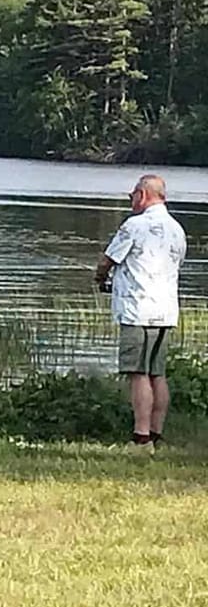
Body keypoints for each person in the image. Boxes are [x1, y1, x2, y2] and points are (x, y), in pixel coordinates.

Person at [94, 174, 186, 455]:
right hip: (166, 310)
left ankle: (141, 437)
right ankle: (157, 432)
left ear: (143, 195)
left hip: (137, 311)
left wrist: (100, 279)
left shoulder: (134, 225)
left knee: (138, 373)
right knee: (158, 374)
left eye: (132, 195)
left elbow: (107, 261)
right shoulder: (177, 229)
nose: (131, 200)